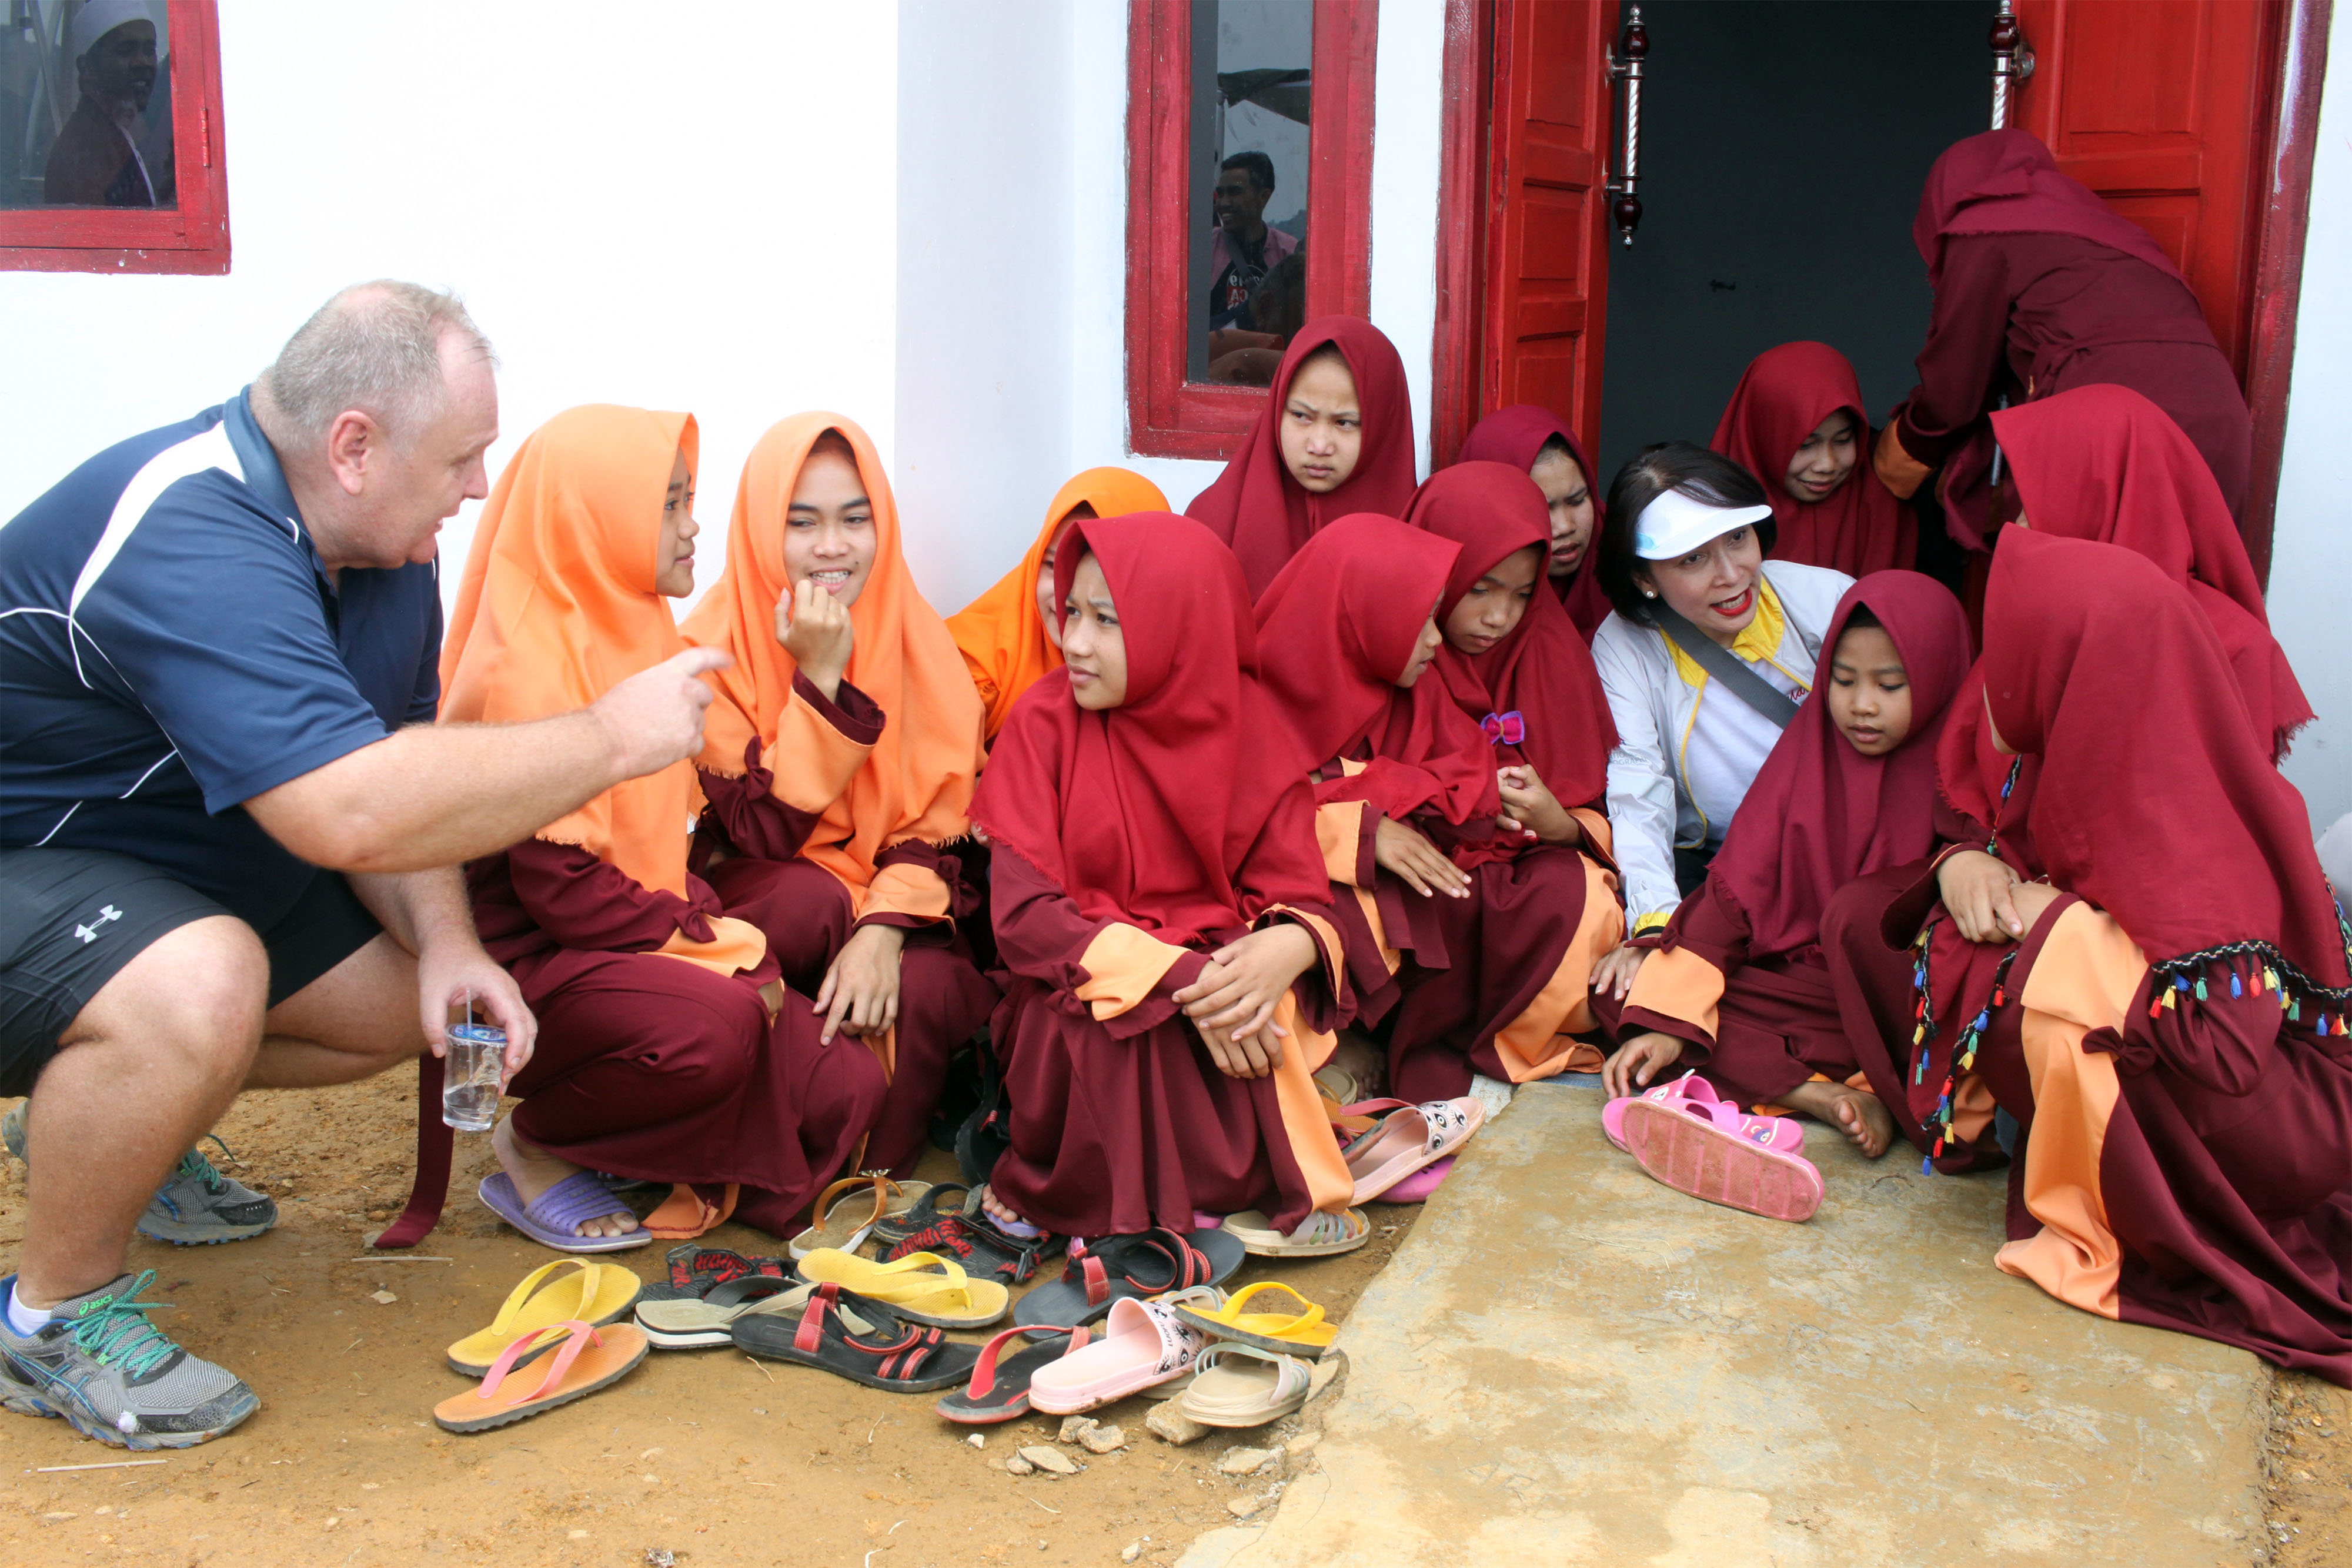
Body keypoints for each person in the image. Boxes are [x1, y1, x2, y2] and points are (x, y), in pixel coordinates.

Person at [0, 282, 725, 1447]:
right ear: (354, 446)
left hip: (143, 872)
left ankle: (112, 1122)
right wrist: (610, 737)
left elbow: (399, 763)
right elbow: (347, 812)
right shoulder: (191, 528)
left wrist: (446, 941)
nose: (479, 485)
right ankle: (54, 1315)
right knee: (204, 983)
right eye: (462, 457)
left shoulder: (384, 542)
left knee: (404, 1002)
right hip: (26, 861)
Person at [1827, 532, 2352, 1385]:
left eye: (2018, 653)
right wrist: (1982, 874)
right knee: (1953, 934)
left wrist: (2057, 923)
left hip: (2276, 1124)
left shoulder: (2175, 806)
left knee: (2019, 964)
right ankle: (2020, 1127)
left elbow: (2226, 1046)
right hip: (2224, 1082)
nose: (1996, 679)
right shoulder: (2112, 741)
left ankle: (2110, 1196)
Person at [439, 405, 887, 1248]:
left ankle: (642, 1149)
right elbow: (558, 887)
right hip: (537, 957)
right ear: (595, 516)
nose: (694, 528)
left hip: (626, 929)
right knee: (714, 1029)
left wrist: (819, 680)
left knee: (847, 1087)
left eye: (691, 500)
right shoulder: (531, 659)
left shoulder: (644, 629)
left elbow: (763, 826)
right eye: (672, 505)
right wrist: (704, 937)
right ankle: (536, 1142)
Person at [971, 514, 1359, 1251]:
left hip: (1225, 989)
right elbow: (1026, 919)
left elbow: (1304, 897)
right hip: (1089, 980)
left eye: (1107, 621)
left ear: (1179, 625)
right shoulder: (1042, 725)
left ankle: (1189, 1192)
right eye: (1072, 612)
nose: (1074, 641)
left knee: (1258, 999)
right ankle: (1131, 1199)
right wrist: (1183, 979)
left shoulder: (1252, 732)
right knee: (1094, 1022)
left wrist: (1292, 949)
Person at [681, 416, 997, 1181]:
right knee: (806, 903)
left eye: (856, 519)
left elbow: (938, 829)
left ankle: (856, 1172)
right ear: (763, 530)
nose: (833, 546)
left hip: (900, 905)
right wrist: (820, 677)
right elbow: (762, 830)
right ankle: (761, 1139)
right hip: (772, 894)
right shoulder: (710, 653)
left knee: (932, 983)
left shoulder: (921, 645)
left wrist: (883, 928)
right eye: (803, 523)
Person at [1596, 573, 1972, 1158]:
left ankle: (1838, 1080)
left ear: (1939, 677)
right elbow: (1731, 895)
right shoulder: (1811, 753)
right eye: (1842, 681)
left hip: (1888, 1006)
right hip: (1791, 986)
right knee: (1629, 993)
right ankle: (1815, 1095)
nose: (1861, 705)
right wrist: (1668, 1022)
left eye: (1890, 685)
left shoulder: (1967, 772)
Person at [1878, 128, 2253, 546]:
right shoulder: (2107, 230)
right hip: (2220, 419)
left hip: (2113, 425)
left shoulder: (1983, 228)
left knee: (2082, 593)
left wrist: (1896, 457)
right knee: (2180, 594)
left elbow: (1954, 390)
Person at [1387, 464, 1626, 1099]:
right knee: (1418, 889)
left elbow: (1596, 801)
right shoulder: (1398, 641)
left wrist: (1560, 822)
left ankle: (1517, 1040)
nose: (1499, 616)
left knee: (1578, 898)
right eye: (1481, 589)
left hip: (1529, 857)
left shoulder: (1547, 645)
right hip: (1430, 851)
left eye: (1522, 594)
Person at [1588, 444, 1853, 980]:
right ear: (1644, 577)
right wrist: (1656, 926)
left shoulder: (1827, 601)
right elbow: (1638, 788)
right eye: (1693, 558)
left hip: (1836, 855)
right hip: (1716, 870)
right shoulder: (1625, 644)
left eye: (1737, 537)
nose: (1731, 575)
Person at [1187, 317, 1418, 597]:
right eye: (1301, 416)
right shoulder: (1214, 524)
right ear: (1277, 410)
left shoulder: (1416, 539)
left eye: (1345, 422)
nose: (1319, 445)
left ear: (1383, 425)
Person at [947, 467, 1170, 743]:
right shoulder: (973, 664)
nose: (1067, 592)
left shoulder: (1174, 677)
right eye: (1053, 565)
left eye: (1098, 573)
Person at [1710, 342, 1916, 580]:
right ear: (1762, 437)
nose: (1826, 465)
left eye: (1843, 440)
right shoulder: (1711, 508)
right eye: (1805, 445)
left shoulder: (1880, 498)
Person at [1456, 403, 1610, 640]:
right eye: (1543, 509)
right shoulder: (1462, 615)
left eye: (1577, 500)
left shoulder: (1633, 568)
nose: (1565, 527)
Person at [41, 0, 159, 208]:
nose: (143, 62)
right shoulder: (84, 153)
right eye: (126, 51)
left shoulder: (119, 130)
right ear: (87, 67)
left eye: (150, 51)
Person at [1206, 151, 1300, 332]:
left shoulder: (1289, 251)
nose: (1224, 203)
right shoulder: (1204, 249)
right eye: (1221, 194)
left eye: (1235, 192)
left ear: (1264, 196)